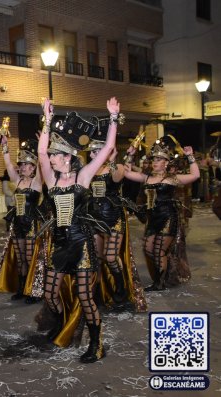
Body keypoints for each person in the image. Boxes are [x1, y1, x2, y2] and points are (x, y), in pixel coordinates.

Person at [38, 97, 119, 363]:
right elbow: (39, 153)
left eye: (54, 156)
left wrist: (114, 118)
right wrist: (47, 120)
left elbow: (107, 148)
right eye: (50, 155)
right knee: (49, 294)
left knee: (85, 297)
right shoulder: (51, 180)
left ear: (68, 157)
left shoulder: (83, 177)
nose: (49, 159)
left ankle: (97, 343)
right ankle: (63, 324)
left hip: (81, 242)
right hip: (59, 244)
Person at [123, 135, 200, 291]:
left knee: (158, 251)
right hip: (152, 219)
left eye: (158, 160)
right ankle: (166, 272)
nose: (155, 162)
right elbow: (126, 173)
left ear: (165, 163)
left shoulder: (172, 179)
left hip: (168, 217)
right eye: (154, 160)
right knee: (148, 249)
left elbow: (195, 175)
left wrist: (190, 156)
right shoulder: (146, 177)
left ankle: (160, 283)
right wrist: (130, 154)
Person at [87, 124, 146, 312]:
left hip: (113, 219)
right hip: (95, 219)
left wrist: (112, 160)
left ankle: (121, 292)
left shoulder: (117, 166)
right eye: (91, 152)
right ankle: (98, 292)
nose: (91, 155)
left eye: (95, 152)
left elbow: (117, 177)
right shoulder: (89, 170)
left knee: (111, 257)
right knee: (96, 258)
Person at [0, 139, 43, 303]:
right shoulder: (18, 181)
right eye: (20, 164)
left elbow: (44, 165)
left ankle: (33, 290)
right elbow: (8, 164)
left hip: (31, 224)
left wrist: (42, 141)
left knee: (29, 258)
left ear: (33, 167)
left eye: (25, 164)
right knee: (20, 258)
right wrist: (5, 145)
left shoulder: (37, 183)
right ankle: (22, 288)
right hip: (18, 223)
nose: (21, 167)